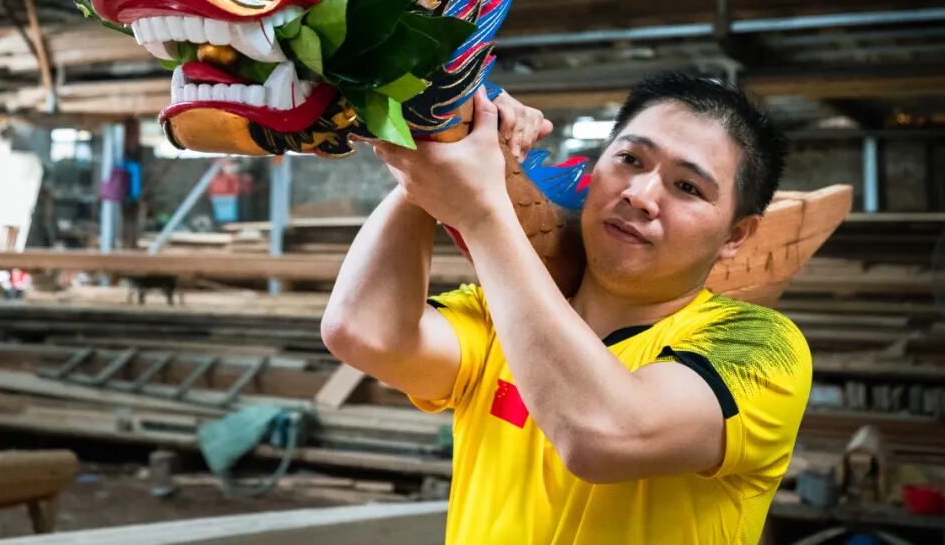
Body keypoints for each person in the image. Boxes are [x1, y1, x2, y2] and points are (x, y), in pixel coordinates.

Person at [321, 72, 810, 545]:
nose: (640, 195)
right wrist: (437, 155)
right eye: (630, 159)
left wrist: (478, 211)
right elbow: (362, 331)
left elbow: (604, 435)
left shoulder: (760, 348)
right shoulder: (501, 315)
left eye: (687, 187)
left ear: (735, 235)